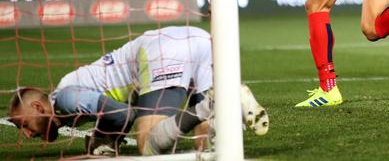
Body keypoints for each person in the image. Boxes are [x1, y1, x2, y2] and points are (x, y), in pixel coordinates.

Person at [7, 26, 269, 156]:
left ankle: (213, 103)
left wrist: (102, 137)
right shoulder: (70, 98)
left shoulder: (65, 97)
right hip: (196, 38)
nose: (28, 134)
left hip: (162, 51)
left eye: (25, 125)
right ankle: (230, 100)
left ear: (39, 107)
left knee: (148, 146)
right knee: (207, 146)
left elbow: (123, 114)